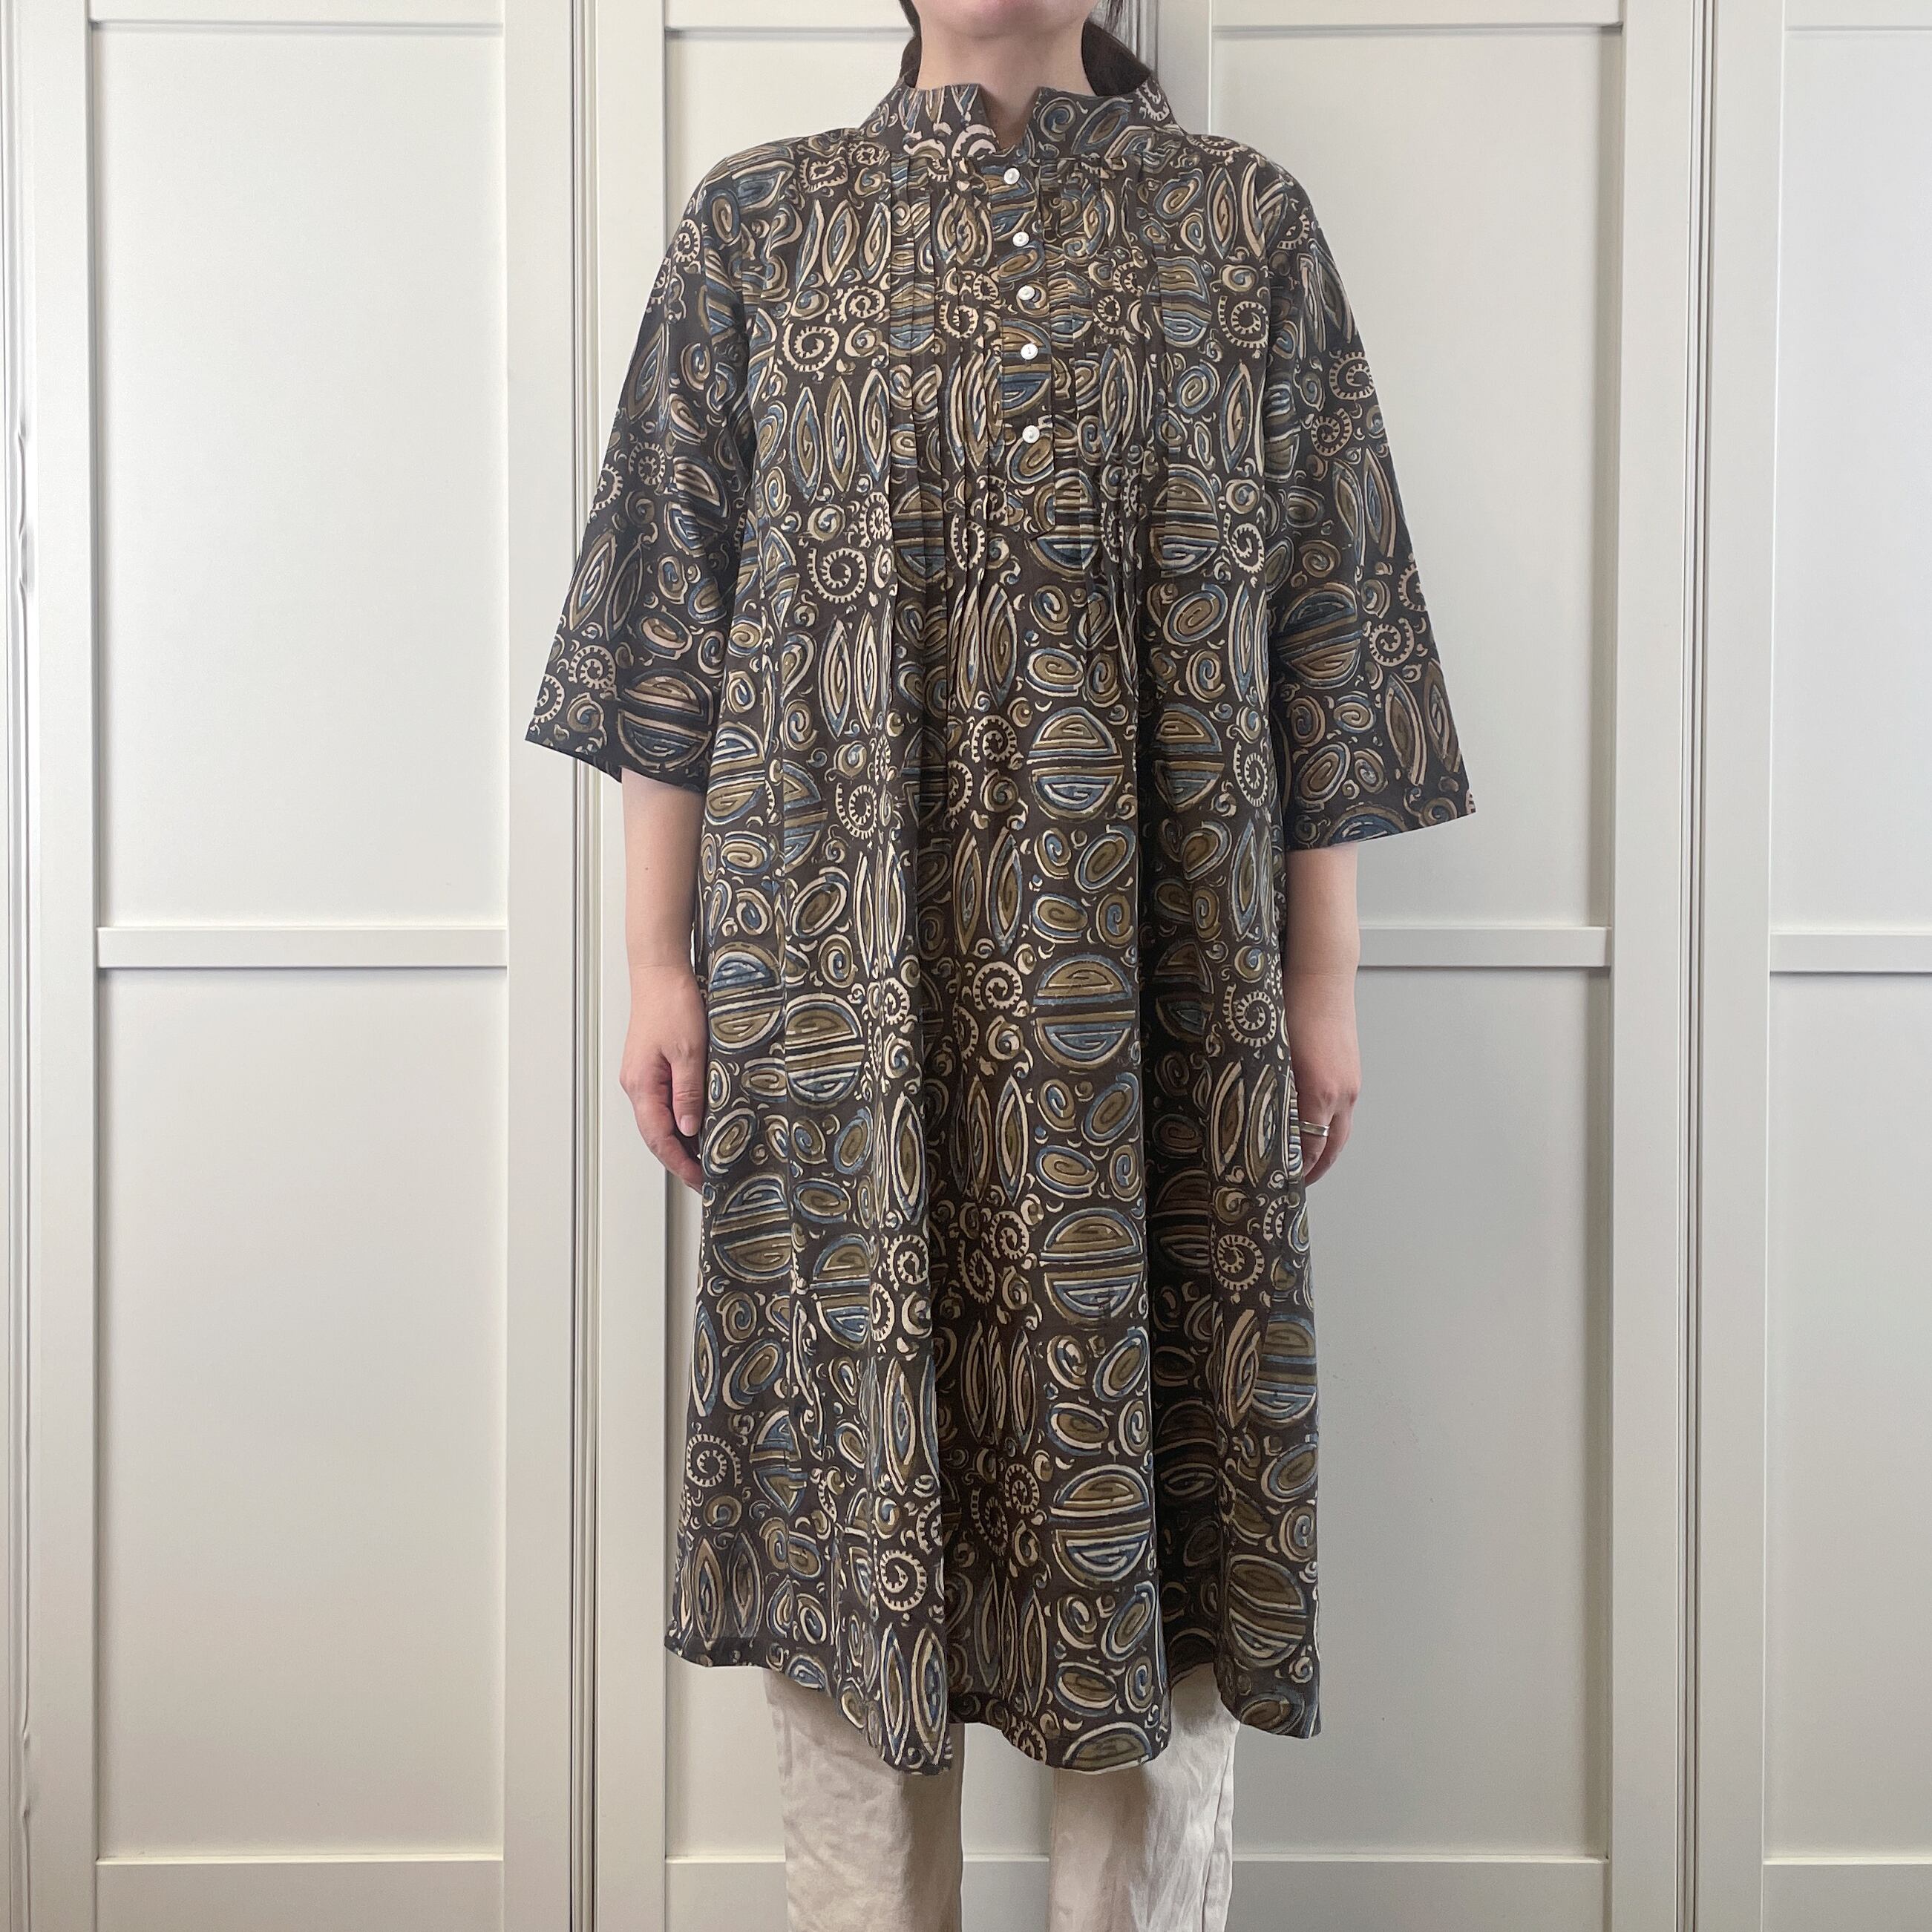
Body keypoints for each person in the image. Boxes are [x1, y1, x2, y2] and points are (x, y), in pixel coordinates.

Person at [524, 1, 1476, 1924]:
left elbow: (1330, 622)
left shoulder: (1243, 227)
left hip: (1168, 999)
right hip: (839, 990)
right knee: (850, 1505)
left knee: (1158, 1495)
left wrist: (1321, 982)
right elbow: (664, 620)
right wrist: (652, 963)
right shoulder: (762, 226)